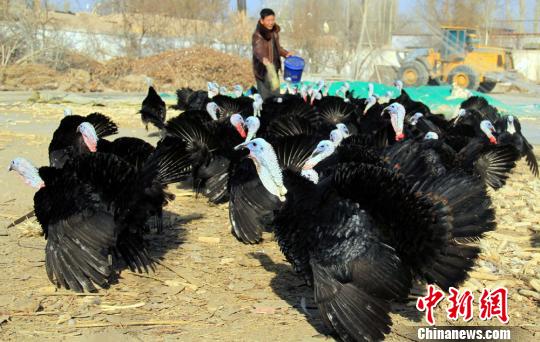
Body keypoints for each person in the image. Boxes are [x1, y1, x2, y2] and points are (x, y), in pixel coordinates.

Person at [252, 8, 293, 100]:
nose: (271, 22)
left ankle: (276, 113)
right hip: (263, 70)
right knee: (266, 98)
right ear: (262, 21)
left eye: (273, 20)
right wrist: (263, 58)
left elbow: (277, 48)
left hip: (273, 68)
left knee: (276, 95)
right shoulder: (258, 34)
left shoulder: (274, 33)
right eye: (268, 20)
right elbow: (258, 49)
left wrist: (286, 54)